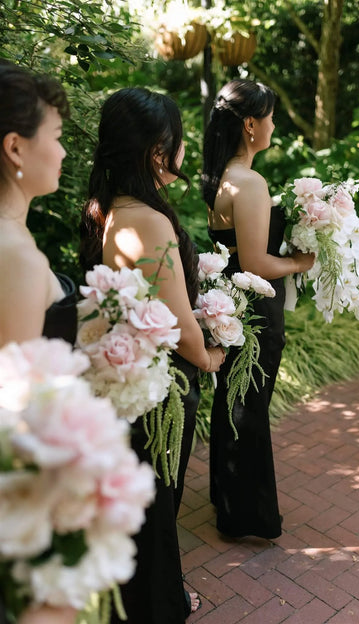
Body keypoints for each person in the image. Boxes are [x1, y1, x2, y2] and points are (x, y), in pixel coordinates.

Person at [79, 87, 225, 624]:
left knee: (142, 502)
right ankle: (158, 606)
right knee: (159, 500)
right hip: (158, 385)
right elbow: (177, 319)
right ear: (158, 151)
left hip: (126, 378)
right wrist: (207, 357)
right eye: (178, 140)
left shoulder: (108, 208)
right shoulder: (150, 220)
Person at [202, 79, 315, 540]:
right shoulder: (248, 182)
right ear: (251, 125)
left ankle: (228, 498)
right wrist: (302, 261)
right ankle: (245, 514)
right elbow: (256, 262)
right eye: (268, 117)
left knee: (236, 402)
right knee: (249, 406)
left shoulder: (224, 176)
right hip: (254, 310)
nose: (273, 124)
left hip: (235, 304)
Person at [0, 61, 77, 623]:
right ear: (16, 148)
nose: (65, 152)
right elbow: (13, 419)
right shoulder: (16, 257)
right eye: (55, 136)